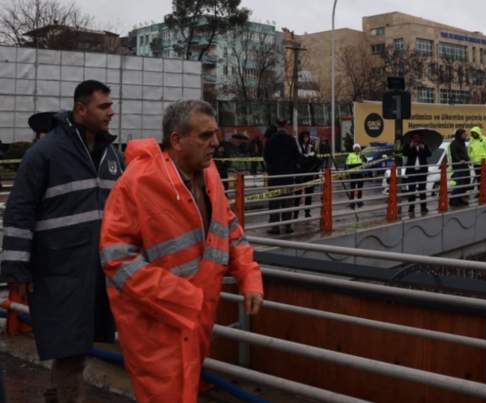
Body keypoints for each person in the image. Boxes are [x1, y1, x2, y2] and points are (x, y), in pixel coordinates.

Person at [100, 100, 263, 403]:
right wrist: (183, 297)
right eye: (205, 136)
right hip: (155, 328)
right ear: (176, 140)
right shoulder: (137, 183)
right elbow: (115, 257)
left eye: (215, 134)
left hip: (195, 319)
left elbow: (228, 228)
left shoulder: (209, 172)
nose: (215, 143)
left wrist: (249, 278)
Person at [0, 80, 122, 403]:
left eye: (111, 105)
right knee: (70, 348)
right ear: (81, 110)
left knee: (75, 347)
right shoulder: (46, 153)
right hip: (57, 272)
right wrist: (17, 270)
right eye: (103, 106)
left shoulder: (111, 153)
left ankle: (55, 395)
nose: (112, 112)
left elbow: (123, 208)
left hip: (94, 270)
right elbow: (19, 212)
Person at [263, 120, 300, 235]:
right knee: (288, 201)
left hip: (274, 175)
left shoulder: (271, 140)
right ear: (286, 127)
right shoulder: (291, 140)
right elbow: (296, 156)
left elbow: (266, 156)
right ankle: (287, 225)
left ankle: (275, 227)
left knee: (274, 201)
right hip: (288, 175)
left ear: (277, 127)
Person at [294, 131, 321, 219]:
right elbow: (299, 159)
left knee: (309, 194)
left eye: (307, 137)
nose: (306, 139)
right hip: (300, 175)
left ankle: (307, 212)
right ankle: (295, 213)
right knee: (297, 195)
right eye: (304, 137)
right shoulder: (298, 147)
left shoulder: (310, 147)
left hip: (309, 174)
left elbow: (315, 160)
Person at [403, 134, 431, 215]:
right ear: (412, 139)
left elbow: (429, 154)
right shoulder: (408, 145)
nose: (416, 140)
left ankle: (423, 207)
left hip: (421, 171)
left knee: (422, 190)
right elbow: (405, 153)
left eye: (418, 138)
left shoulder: (424, 145)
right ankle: (411, 208)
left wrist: (423, 148)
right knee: (412, 190)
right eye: (415, 138)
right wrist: (411, 147)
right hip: (412, 171)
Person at [468, 126, 486, 200]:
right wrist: (470, 159)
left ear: (478, 132)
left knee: (485, 178)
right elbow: (469, 150)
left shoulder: (484, 139)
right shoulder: (471, 140)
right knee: (478, 179)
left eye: (474, 133)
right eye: (472, 133)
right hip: (475, 163)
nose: (473, 134)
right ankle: (480, 192)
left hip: (484, 163)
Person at [449, 129, 470, 207]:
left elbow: (465, 153)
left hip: (465, 166)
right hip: (458, 166)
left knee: (466, 183)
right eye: (464, 134)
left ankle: (459, 198)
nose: (465, 136)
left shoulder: (463, 143)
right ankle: (453, 200)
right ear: (460, 135)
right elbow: (454, 154)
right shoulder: (454, 144)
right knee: (460, 184)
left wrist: (468, 159)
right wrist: (460, 160)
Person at [346, 143, 365, 209]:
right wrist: (348, 173)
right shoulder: (350, 155)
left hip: (360, 173)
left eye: (358, 148)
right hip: (353, 173)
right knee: (353, 188)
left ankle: (359, 201)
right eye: (356, 148)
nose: (357, 149)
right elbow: (347, 164)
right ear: (354, 149)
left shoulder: (361, 155)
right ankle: (352, 202)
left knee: (360, 188)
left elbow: (365, 163)